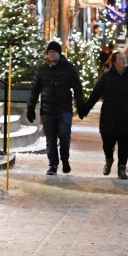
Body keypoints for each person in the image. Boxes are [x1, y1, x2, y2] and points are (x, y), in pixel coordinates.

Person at [79, 52, 128, 179]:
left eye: (125, 58)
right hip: (109, 117)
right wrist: (85, 110)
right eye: (120, 58)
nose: (124, 60)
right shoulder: (106, 77)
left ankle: (122, 168)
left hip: (127, 116)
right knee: (107, 143)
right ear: (114, 62)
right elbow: (95, 95)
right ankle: (109, 159)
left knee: (124, 144)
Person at [27, 41, 84, 175]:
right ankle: (53, 165)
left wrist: (80, 105)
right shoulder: (42, 69)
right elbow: (34, 89)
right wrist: (31, 107)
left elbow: (77, 87)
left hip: (64, 109)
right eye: (49, 52)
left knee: (64, 136)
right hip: (47, 110)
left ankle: (65, 160)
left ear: (59, 53)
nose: (51, 54)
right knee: (50, 139)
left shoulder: (68, 68)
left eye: (54, 52)